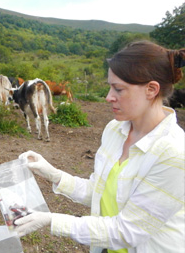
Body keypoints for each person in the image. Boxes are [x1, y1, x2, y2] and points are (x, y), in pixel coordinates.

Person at [15, 41, 185, 253]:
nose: (108, 97)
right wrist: (52, 173)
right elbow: (98, 191)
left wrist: (52, 220)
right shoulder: (115, 130)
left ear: (151, 89)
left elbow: (128, 231)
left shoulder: (174, 153)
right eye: (109, 86)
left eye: (118, 89)